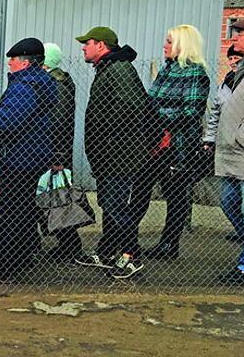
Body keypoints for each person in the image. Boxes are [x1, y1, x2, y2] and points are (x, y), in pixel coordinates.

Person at [0, 38, 56, 284]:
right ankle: (22, 256)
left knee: (10, 213)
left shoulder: (25, 86)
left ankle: (2, 266)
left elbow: (10, 122)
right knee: (23, 209)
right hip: (33, 155)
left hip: (19, 157)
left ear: (25, 62)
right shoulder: (44, 83)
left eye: (13, 59)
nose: (9, 63)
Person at [74, 26, 151, 280]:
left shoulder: (118, 69)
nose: (84, 47)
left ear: (102, 45)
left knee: (117, 206)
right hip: (111, 154)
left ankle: (131, 256)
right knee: (110, 204)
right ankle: (108, 253)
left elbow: (129, 107)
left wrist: (105, 134)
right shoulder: (109, 67)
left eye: (88, 43)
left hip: (119, 155)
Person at [131, 25, 210, 260]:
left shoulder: (195, 73)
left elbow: (192, 110)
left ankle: (169, 244)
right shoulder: (167, 70)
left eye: (169, 41)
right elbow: (151, 103)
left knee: (175, 195)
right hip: (155, 143)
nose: (164, 45)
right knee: (141, 189)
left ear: (182, 45)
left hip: (178, 146)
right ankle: (127, 237)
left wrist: (159, 119)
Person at [216, 18, 244, 286]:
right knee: (229, 201)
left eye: (241, 34)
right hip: (234, 154)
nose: (235, 39)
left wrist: (243, 135)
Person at [41, 42, 82, 261]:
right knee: (52, 196)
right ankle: (66, 243)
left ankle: (69, 244)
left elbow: (58, 123)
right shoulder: (60, 82)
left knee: (56, 198)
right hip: (54, 150)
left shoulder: (56, 86)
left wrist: (57, 156)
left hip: (54, 152)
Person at [204, 46, 244, 242]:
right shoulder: (225, 84)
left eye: (237, 57)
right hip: (227, 151)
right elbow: (215, 114)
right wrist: (209, 139)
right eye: (230, 57)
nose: (233, 61)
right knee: (228, 200)